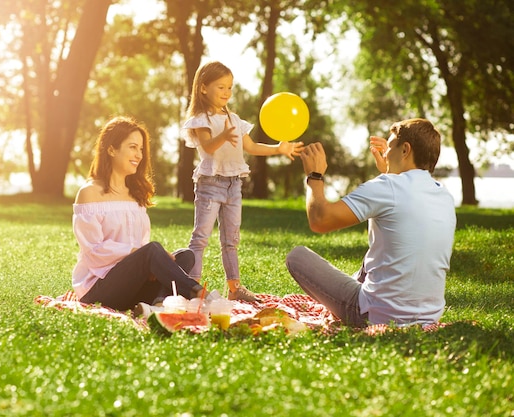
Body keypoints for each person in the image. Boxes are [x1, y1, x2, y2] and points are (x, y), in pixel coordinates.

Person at [286, 118, 456, 327]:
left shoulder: (388, 186)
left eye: (390, 146)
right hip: (429, 316)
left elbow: (320, 220)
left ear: (405, 150)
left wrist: (314, 175)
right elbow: (401, 203)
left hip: (377, 316)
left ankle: (359, 302)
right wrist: (390, 170)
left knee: (297, 257)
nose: (384, 154)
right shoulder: (443, 195)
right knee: (382, 250)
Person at [182, 61, 305, 302]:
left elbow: (251, 147)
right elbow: (207, 146)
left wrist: (279, 149)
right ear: (203, 88)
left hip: (233, 185)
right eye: (221, 87)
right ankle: (192, 286)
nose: (226, 93)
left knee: (231, 240)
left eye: (229, 87)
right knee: (201, 237)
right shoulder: (200, 118)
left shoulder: (235, 119)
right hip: (210, 183)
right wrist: (223, 136)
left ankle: (235, 288)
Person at [72, 116, 204, 312]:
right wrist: (140, 254)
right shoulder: (89, 193)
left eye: (141, 149)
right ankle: (198, 293)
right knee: (152, 250)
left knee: (185, 256)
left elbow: (141, 245)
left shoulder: (135, 194)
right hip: (99, 290)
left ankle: (155, 305)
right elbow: (94, 252)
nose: (139, 155)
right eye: (133, 147)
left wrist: (149, 262)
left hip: (131, 287)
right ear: (111, 149)